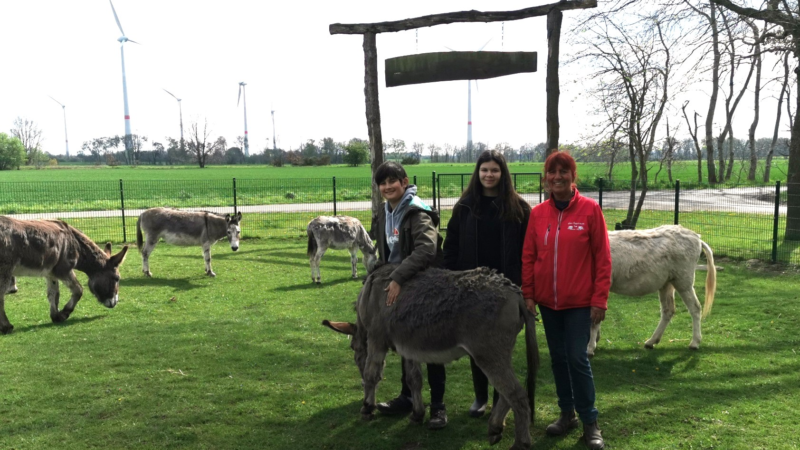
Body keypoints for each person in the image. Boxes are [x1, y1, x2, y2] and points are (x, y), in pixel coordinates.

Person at [521, 151, 611, 450]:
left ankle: (590, 422)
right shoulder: (538, 214)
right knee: (558, 359)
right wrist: (529, 294)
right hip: (548, 303)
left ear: (574, 177)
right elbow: (529, 257)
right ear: (546, 178)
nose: (557, 177)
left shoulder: (590, 210)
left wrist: (599, 299)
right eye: (552, 172)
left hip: (579, 303)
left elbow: (603, 258)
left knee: (577, 357)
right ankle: (566, 413)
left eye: (564, 172)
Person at [442, 150, 530, 418]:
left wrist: (525, 286)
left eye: (494, 170)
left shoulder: (520, 209)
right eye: (484, 170)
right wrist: (452, 278)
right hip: (472, 290)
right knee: (476, 346)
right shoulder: (465, 206)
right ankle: (480, 397)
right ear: (477, 173)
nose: (489, 175)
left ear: (503, 173)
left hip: (507, 290)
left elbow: (529, 252)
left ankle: (499, 397)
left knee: (501, 347)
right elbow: (451, 245)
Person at [369, 161, 448, 429]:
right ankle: (407, 397)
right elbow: (387, 250)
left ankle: (438, 407)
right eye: (383, 182)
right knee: (403, 344)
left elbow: (426, 250)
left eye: (393, 180)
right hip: (400, 287)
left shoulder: (417, 212)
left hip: (425, 288)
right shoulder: (384, 211)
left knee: (431, 346)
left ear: (405, 182)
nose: (388, 186)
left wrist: (397, 277)